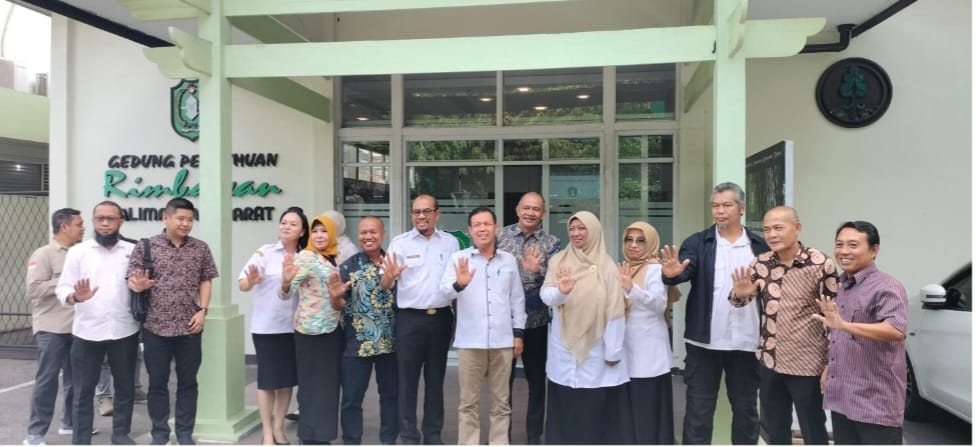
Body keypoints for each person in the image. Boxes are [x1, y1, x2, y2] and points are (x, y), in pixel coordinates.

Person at [660, 181, 769, 445]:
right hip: (704, 342)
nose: (720, 211)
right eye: (715, 206)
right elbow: (683, 271)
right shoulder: (699, 242)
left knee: (746, 410)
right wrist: (671, 275)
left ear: (741, 208)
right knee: (699, 411)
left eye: (726, 205)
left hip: (747, 341)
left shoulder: (759, 245)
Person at [730, 206, 837, 445]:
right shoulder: (761, 263)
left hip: (807, 363)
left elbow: (833, 317)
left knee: (813, 428)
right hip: (771, 360)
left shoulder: (820, 263)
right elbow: (739, 301)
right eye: (767, 229)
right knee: (775, 428)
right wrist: (739, 294)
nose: (771, 235)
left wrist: (830, 362)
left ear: (797, 228)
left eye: (778, 228)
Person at [128, 198, 217, 445]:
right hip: (155, 327)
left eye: (190, 219)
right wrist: (138, 285)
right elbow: (132, 280)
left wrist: (203, 310)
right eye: (180, 218)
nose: (186, 224)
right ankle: (160, 433)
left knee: (188, 383)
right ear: (165, 218)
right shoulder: (146, 247)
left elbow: (206, 280)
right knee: (157, 383)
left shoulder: (200, 248)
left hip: (190, 326)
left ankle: (185, 433)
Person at [812, 221, 908, 444]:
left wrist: (843, 325)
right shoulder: (842, 285)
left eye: (853, 245)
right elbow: (840, 335)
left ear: (874, 250)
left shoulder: (887, 286)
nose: (844, 251)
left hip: (875, 401)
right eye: (839, 244)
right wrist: (829, 366)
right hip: (843, 396)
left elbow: (895, 329)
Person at [540, 211, 631, 444]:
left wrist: (613, 351)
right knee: (566, 401)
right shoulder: (558, 261)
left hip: (596, 347)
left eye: (582, 228)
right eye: (572, 229)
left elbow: (615, 311)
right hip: (564, 343)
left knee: (592, 405)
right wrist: (561, 292)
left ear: (594, 231)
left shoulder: (607, 267)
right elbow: (546, 296)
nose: (576, 233)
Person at [440, 207, 526, 445]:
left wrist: (518, 333)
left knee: (501, 403)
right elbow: (444, 292)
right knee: (468, 403)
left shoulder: (508, 260)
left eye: (487, 224)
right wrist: (459, 284)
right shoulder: (459, 259)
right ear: (470, 230)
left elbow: (517, 299)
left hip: (502, 342)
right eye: (477, 225)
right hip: (470, 342)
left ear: (496, 228)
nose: (482, 229)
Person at [56, 201, 140, 445]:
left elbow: (141, 284)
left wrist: (142, 287)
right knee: (83, 390)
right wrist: (75, 296)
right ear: (93, 221)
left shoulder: (133, 250)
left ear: (120, 221)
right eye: (100, 218)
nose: (105, 223)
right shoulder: (78, 252)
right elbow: (63, 288)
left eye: (111, 218)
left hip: (124, 330)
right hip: (87, 332)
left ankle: (121, 435)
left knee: (125, 388)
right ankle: (81, 439)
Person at [387, 194, 460, 444]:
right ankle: (408, 435)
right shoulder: (400, 243)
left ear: (437, 214)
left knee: (435, 380)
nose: (421, 216)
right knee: (407, 381)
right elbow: (385, 283)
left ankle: (432, 435)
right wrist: (390, 276)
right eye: (416, 211)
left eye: (426, 211)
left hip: (440, 318)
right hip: (410, 320)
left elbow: (455, 283)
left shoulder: (450, 243)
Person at [239, 207, 308, 445]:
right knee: (268, 382)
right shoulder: (265, 252)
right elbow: (242, 284)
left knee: (286, 381)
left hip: (293, 328)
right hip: (266, 327)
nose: (286, 226)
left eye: (293, 224)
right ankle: (267, 432)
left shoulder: (305, 257)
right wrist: (251, 281)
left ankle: (279, 427)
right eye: (284, 222)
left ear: (302, 232)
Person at [496, 192, 560, 445]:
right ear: (517, 210)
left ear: (543, 213)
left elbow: (558, 281)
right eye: (526, 208)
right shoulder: (500, 237)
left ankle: (534, 436)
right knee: (502, 384)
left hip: (536, 322)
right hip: (505, 323)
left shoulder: (552, 243)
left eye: (536, 209)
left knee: (536, 382)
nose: (530, 213)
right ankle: (502, 435)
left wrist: (538, 270)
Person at [335, 216, 401, 445]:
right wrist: (334, 298)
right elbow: (339, 304)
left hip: (390, 343)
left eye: (373, 232)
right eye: (363, 232)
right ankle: (352, 440)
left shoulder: (393, 263)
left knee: (391, 396)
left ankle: (388, 440)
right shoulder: (348, 266)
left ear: (383, 234)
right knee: (352, 398)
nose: (368, 236)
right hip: (357, 344)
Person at [281, 214, 345, 444]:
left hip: (332, 329)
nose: (319, 235)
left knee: (328, 386)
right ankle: (308, 437)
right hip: (309, 331)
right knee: (310, 385)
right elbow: (286, 293)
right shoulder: (306, 257)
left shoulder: (333, 256)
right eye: (315, 231)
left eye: (324, 231)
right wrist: (285, 281)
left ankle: (324, 435)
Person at [23, 208, 85, 446]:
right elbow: (34, 290)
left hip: (78, 327)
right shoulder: (43, 254)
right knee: (47, 380)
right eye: (79, 224)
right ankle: (35, 434)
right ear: (64, 226)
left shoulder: (81, 252)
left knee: (77, 381)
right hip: (52, 328)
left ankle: (69, 424)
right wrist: (65, 281)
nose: (83, 228)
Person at [619, 221, 675, 444]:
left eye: (640, 241)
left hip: (648, 349)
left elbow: (659, 304)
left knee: (646, 404)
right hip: (625, 346)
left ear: (650, 243)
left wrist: (631, 288)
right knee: (629, 403)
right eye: (629, 240)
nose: (633, 245)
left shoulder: (656, 269)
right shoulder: (625, 267)